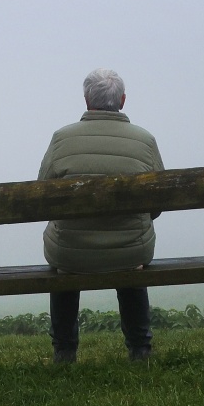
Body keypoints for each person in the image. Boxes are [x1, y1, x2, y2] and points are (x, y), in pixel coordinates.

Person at [37, 68, 164, 363]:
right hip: (130, 251)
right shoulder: (144, 141)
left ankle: (64, 351)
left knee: (65, 256)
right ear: (122, 100)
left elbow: (41, 200)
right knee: (129, 247)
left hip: (70, 254)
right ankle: (140, 348)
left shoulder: (61, 140)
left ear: (86, 100)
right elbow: (157, 204)